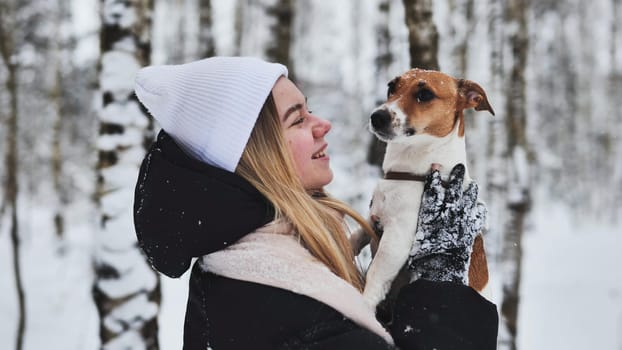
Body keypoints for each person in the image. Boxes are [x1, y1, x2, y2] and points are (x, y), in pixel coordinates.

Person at [133, 57, 498, 349]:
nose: (324, 124)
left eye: (311, 110)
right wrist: (441, 281)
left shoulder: (256, 261)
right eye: (298, 119)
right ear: (257, 153)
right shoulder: (272, 300)